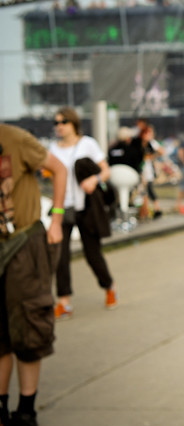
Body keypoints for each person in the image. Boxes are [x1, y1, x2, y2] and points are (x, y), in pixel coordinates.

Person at [0, 123, 66, 426]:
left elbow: (59, 169)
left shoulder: (14, 138)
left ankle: (26, 411)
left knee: (28, 328)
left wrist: (56, 219)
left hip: (23, 244)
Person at [49, 107, 117, 317]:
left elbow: (106, 171)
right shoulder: (53, 148)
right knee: (60, 256)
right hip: (63, 206)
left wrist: (93, 180)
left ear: (73, 123)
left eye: (63, 122)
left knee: (92, 254)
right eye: (56, 123)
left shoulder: (87, 144)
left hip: (86, 207)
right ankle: (64, 301)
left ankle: (109, 287)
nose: (59, 126)